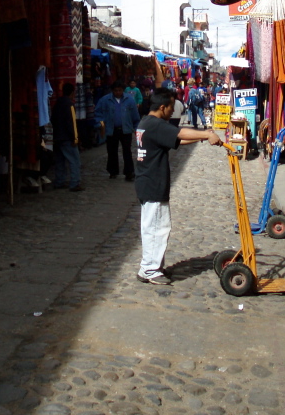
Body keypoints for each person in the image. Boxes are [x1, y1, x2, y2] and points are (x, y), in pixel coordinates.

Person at [135, 89, 223, 284]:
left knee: (153, 226)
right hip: (153, 182)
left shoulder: (147, 123)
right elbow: (180, 132)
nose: (173, 112)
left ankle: (150, 266)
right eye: (171, 107)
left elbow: (177, 139)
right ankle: (150, 269)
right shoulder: (155, 125)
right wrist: (205, 135)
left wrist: (202, 136)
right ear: (162, 107)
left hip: (148, 181)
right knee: (157, 227)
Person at [95, 81, 141, 181]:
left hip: (126, 129)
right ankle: (113, 171)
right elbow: (98, 112)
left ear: (123, 90)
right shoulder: (105, 100)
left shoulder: (129, 100)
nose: (118, 92)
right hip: (111, 129)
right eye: (116, 90)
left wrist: (136, 127)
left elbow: (135, 115)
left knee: (127, 151)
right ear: (112, 91)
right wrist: (100, 123)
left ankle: (129, 172)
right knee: (112, 151)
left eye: (120, 90)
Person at [52, 83, 84, 192]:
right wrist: (75, 138)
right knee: (74, 160)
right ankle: (74, 183)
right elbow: (72, 123)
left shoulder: (57, 104)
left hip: (57, 137)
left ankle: (59, 181)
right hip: (67, 137)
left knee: (60, 161)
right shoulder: (69, 105)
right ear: (72, 93)